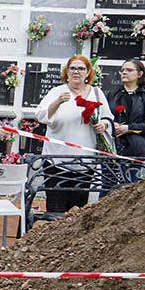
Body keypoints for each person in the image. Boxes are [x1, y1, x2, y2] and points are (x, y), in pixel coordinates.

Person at [35, 54, 114, 214]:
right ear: (67, 72)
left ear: (88, 72)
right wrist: (57, 102)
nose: (76, 72)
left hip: (85, 161)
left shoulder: (96, 93)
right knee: (56, 207)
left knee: (77, 209)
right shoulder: (57, 91)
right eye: (72, 68)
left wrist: (103, 125)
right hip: (57, 160)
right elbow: (41, 116)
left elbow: (108, 117)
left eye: (81, 68)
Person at [107, 59, 145, 162]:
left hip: (137, 149)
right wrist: (111, 124)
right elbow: (104, 115)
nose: (124, 72)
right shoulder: (112, 95)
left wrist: (128, 128)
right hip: (112, 148)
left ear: (140, 74)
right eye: (122, 70)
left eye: (129, 70)